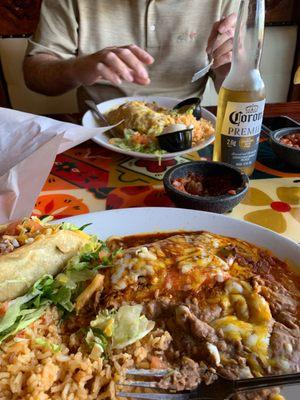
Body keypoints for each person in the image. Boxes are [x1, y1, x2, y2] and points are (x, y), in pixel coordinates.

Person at [23, 1, 238, 112]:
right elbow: (34, 75)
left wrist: (234, 69)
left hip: (189, 128)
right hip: (97, 131)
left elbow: (236, 91)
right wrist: (77, 68)